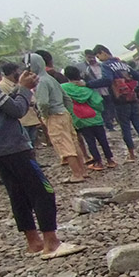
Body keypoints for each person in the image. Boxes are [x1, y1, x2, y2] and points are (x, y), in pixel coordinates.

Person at [0, 68, 81, 258]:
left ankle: (33, 242)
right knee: (42, 191)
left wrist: (18, 88)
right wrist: (24, 89)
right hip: (13, 146)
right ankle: (51, 242)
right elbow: (15, 110)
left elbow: (2, 107)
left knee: (17, 194)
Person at [84, 44, 139, 161]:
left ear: (103, 52)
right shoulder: (123, 64)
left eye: (98, 56)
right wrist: (138, 90)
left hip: (120, 101)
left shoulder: (106, 65)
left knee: (125, 127)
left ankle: (132, 155)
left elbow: (107, 80)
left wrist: (88, 84)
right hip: (133, 99)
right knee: (138, 125)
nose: (99, 59)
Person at [27, 53, 87, 182]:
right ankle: (82, 171)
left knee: (64, 145)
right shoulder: (51, 78)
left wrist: (44, 115)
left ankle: (77, 174)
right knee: (73, 142)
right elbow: (67, 98)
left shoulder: (41, 82)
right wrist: (69, 112)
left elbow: (43, 102)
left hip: (54, 116)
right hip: (64, 113)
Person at [63, 66, 115, 170]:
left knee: (90, 142)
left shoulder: (63, 88)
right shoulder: (86, 86)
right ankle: (110, 161)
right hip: (95, 117)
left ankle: (98, 163)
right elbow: (98, 102)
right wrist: (98, 112)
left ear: (66, 76)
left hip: (80, 119)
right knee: (103, 140)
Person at [0, 62, 43, 146]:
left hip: (30, 117)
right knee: (26, 143)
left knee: (31, 142)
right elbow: (9, 104)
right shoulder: (2, 86)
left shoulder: (19, 83)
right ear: (13, 72)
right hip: (21, 120)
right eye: (18, 71)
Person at [84, 49, 116, 131]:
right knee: (103, 109)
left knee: (113, 106)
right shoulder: (87, 71)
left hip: (109, 90)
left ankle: (115, 121)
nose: (91, 59)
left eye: (92, 57)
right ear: (86, 58)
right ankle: (110, 126)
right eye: (89, 57)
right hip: (98, 92)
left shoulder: (103, 65)